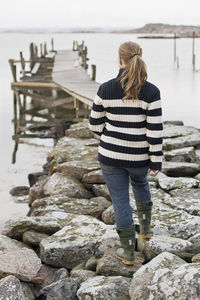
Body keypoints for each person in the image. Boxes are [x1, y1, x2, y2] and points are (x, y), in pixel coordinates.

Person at [89, 41, 163, 265]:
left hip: (110, 156)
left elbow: (94, 125)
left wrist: (110, 136)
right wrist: (156, 161)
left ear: (120, 60)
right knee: (141, 185)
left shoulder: (106, 88)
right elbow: (155, 131)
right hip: (140, 157)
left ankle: (128, 251)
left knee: (120, 201)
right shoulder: (152, 91)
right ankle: (146, 231)